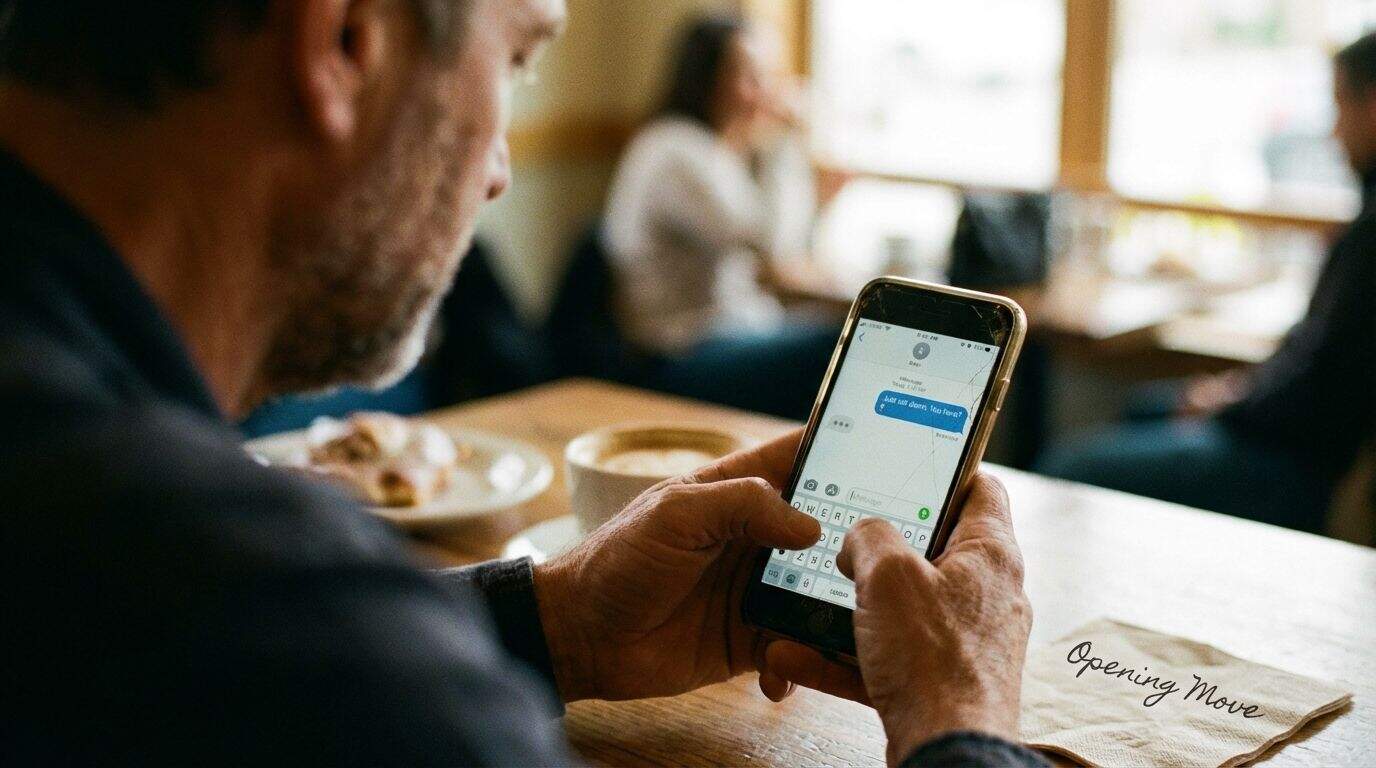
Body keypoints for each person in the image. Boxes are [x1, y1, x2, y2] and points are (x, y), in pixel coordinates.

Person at [0, 1, 1043, 766]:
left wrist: (556, 624)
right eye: (516, 60)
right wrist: (963, 732)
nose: (500, 167)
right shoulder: (247, 607)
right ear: (346, 41)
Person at [1038, 33, 1376, 534]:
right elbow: (1317, 361)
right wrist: (1237, 390)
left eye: (1340, 105)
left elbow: (1323, 397)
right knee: (1140, 407)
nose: (1333, 131)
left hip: (1292, 465)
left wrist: (1230, 403)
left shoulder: (1369, 238)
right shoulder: (1361, 224)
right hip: (1284, 428)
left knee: (1065, 473)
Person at [602, 15, 844, 420]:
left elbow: (778, 247)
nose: (763, 92)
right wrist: (787, 139)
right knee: (837, 345)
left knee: (836, 334)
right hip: (678, 355)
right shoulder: (676, 149)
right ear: (707, 78)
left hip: (726, 333)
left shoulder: (712, 151)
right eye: (751, 77)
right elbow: (773, 244)